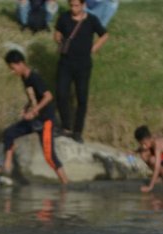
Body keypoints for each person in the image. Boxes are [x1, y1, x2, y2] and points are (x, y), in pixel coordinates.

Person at [0, 49, 68, 185]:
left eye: (12, 67)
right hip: (35, 119)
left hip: (46, 121)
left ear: (20, 63)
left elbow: (48, 96)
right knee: (9, 133)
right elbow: (34, 97)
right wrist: (26, 108)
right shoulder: (24, 77)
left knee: (49, 156)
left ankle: (65, 183)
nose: (12, 71)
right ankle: (7, 167)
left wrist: (33, 111)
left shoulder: (34, 77)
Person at [54, 0, 109, 143]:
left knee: (82, 98)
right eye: (71, 5)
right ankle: (66, 127)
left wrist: (93, 49)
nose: (73, 8)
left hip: (83, 65)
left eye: (76, 5)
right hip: (65, 63)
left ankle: (78, 131)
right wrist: (59, 40)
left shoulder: (91, 20)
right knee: (61, 93)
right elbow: (57, 31)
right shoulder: (64, 17)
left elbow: (104, 35)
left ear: (83, 5)